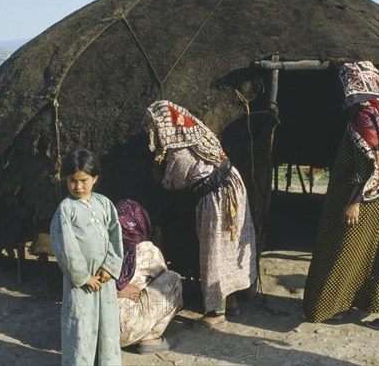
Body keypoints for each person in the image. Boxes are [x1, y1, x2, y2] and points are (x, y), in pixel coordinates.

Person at [303, 61, 379, 333]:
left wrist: (354, 202)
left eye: (346, 81)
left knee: (338, 251)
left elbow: (368, 162)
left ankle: (327, 307)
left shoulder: (363, 114)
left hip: (363, 199)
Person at [143, 100, 257, 329]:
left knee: (214, 250)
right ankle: (231, 301)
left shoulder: (179, 147)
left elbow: (175, 180)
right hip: (230, 187)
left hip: (216, 197)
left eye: (155, 127)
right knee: (228, 247)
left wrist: (160, 177)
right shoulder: (196, 132)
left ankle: (216, 312)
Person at [50, 149, 123, 365]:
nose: (78, 186)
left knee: (106, 324)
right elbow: (65, 247)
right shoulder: (65, 209)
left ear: (95, 179)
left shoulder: (104, 203)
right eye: (73, 181)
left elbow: (115, 235)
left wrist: (110, 267)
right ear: (66, 180)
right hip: (80, 283)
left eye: (84, 180)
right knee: (80, 324)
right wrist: (83, 276)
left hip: (104, 279)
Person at [114, 198, 183, 354]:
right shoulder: (147, 249)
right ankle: (150, 338)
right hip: (126, 329)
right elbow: (163, 279)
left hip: (100, 332)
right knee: (173, 279)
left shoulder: (104, 248)